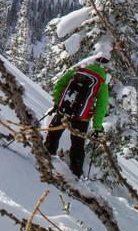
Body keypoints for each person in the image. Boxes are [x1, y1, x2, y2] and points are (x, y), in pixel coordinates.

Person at [44, 51, 111, 179]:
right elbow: (101, 107)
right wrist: (97, 127)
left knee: (53, 135)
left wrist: (58, 103)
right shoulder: (101, 83)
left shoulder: (77, 72)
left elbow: (59, 84)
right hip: (81, 117)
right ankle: (75, 175)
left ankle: (44, 158)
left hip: (63, 110)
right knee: (77, 145)